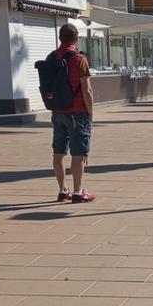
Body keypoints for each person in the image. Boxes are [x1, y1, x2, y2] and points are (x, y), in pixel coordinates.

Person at [49, 23, 95, 203]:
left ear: (60, 37)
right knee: (78, 153)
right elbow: (87, 90)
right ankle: (78, 192)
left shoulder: (52, 57)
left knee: (58, 152)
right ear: (76, 38)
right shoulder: (79, 59)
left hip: (58, 111)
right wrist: (90, 112)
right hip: (77, 111)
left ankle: (63, 190)